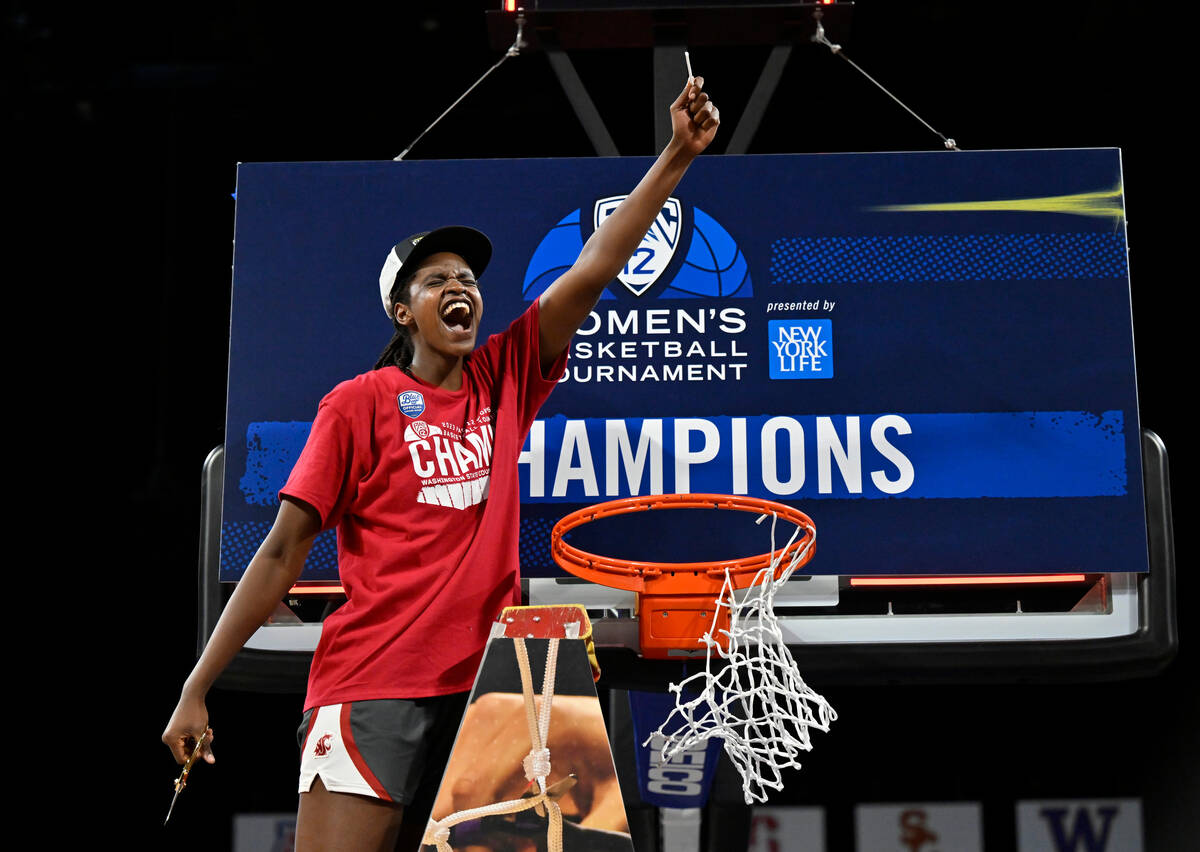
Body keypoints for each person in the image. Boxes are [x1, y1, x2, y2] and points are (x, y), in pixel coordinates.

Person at [163, 75, 720, 852]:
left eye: (467, 279)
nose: (459, 287)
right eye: (437, 281)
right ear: (404, 310)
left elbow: (593, 265)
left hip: (493, 684)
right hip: (370, 683)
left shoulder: (508, 374)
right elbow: (283, 551)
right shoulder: (358, 403)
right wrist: (197, 686)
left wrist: (676, 158)